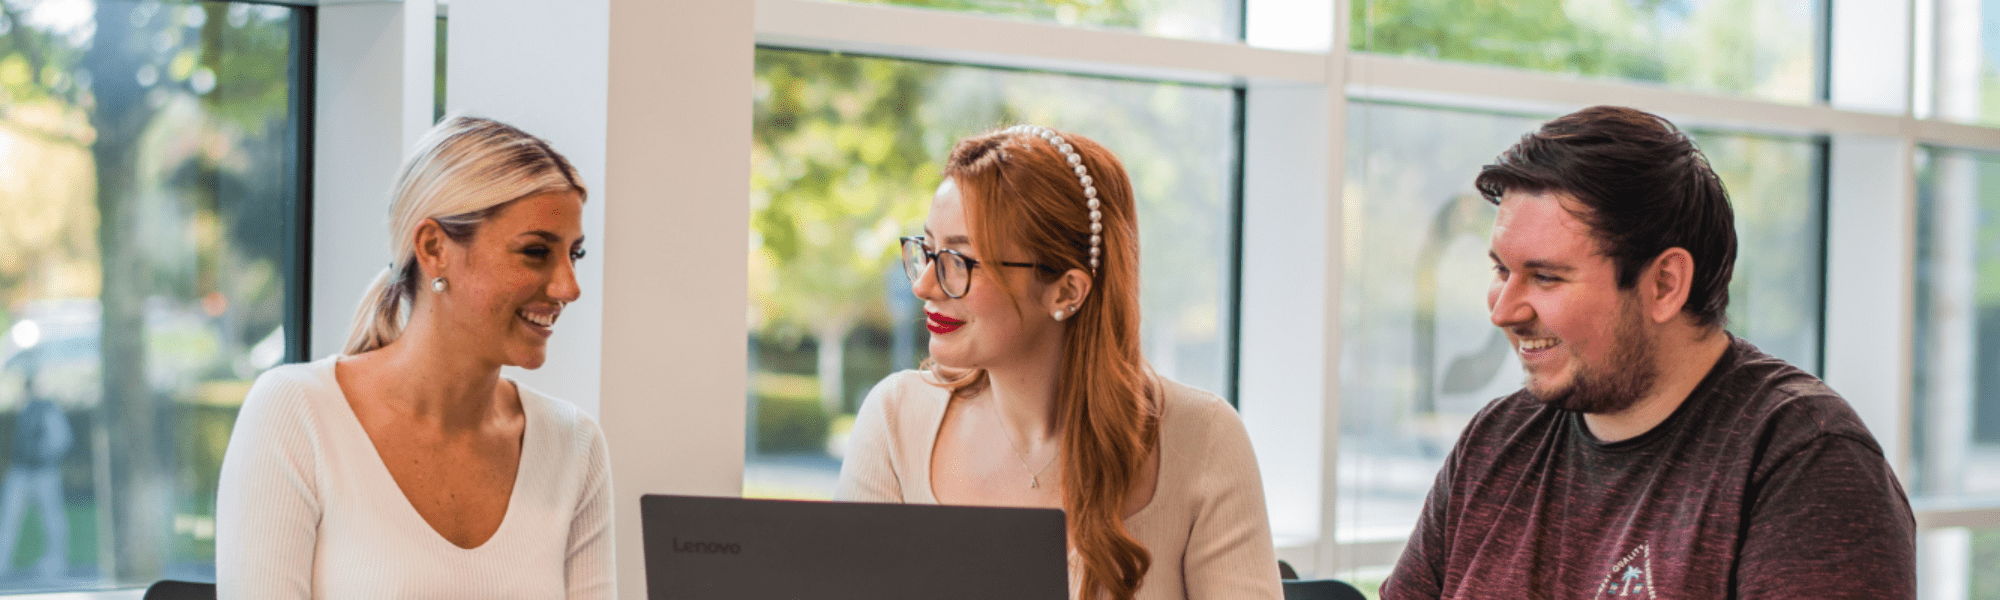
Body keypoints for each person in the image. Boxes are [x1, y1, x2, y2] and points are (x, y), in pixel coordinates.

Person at [1379, 106, 1916, 599]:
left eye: (1545, 277)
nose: (1503, 311)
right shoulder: (1494, 442)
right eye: (1501, 270)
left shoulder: (1807, 460)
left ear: (1663, 284)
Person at [836, 125, 1282, 600]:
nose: (924, 285)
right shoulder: (894, 419)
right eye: (926, 251)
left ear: (1066, 291)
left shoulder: (1204, 438)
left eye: (959, 261)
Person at [216, 116, 612, 598]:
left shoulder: (576, 446)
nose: (568, 286)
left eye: (576, 254)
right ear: (433, 248)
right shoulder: (296, 414)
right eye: (535, 252)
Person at [0, 372, 70, 581]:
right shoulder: (21, 410)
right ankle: (2, 563)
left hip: (44, 473)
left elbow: (62, 440)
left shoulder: (48, 409)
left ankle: (56, 564)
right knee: (9, 518)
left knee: (52, 520)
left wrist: (44, 452)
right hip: (21, 471)